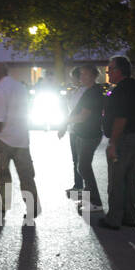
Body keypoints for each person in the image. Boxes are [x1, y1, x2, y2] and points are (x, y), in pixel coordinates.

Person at [99, 56, 135, 230]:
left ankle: (114, 219)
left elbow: (120, 119)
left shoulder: (120, 91)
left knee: (117, 179)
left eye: (110, 69)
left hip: (123, 138)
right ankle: (130, 217)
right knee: (130, 179)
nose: (108, 73)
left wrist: (113, 144)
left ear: (118, 71)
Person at [0, 62, 39, 221]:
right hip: (22, 137)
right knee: (26, 175)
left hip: (5, 138)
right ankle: (33, 207)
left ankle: (3, 204)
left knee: (3, 173)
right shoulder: (19, 86)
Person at [63, 62, 105, 211]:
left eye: (84, 74)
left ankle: (96, 202)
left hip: (89, 133)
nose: (81, 76)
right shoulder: (88, 91)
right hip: (83, 133)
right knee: (82, 166)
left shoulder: (93, 92)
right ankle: (89, 199)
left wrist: (64, 121)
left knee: (84, 167)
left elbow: (82, 116)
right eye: (80, 74)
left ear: (93, 75)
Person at [58, 66, 84, 195]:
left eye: (73, 77)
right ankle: (78, 185)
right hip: (73, 128)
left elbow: (75, 111)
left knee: (81, 161)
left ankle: (83, 187)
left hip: (79, 128)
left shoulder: (83, 91)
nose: (71, 80)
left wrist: (64, 125)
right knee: (76, 159)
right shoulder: (76, 91)